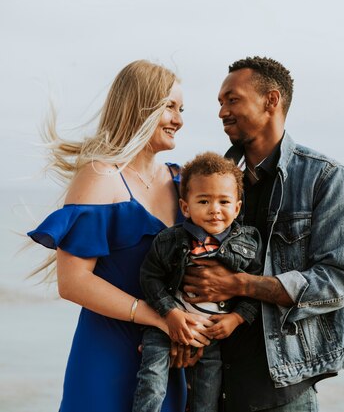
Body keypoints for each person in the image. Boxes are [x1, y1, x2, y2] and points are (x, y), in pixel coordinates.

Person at [27, 60, 211, 412]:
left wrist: (193, 327)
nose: (179, 119)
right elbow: (73, 282)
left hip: (169, 354)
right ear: (140, 107)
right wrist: (159, 317)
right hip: (108, 353)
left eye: (181, 108)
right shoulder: (100, 175)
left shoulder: (183, 181)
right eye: (169, 107)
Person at [183, 56, 344, 411]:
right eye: (220, 102)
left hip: (281, 386)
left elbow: (335, 282)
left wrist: (240, 285)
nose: (221, 112)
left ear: (271, 100)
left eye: (232, 100)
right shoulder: (213, 182)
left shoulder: (324, 178)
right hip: (207, 381)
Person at [133, 152, 262, 412]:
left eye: (224, 201)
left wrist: (235, 319)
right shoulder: (170, 240)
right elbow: (150, 277)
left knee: (207, 397)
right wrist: (170, 313)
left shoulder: (247, 243)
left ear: (237, 208)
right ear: (185, 207)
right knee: (152, 385)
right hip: (165, 327)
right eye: (204, 201)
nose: (214, 209)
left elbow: (255, 289)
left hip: (211, 335)